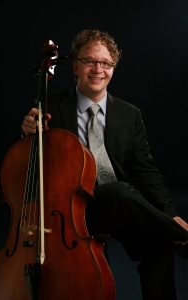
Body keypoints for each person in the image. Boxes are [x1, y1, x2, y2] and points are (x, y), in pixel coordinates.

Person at [22, 29, 188, 300]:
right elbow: (29, 163)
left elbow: (145, 171)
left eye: (106, 63)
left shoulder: (129, 114)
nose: (98, 69)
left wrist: (170, 213)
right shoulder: (49, 107)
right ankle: (180, 235)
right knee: (121, 192)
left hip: (122, 207)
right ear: (75, 66)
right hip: (72, 211)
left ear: (113, 68)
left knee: (158, 243)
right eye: (90, 61)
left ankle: (171, 231)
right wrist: (27, 133)